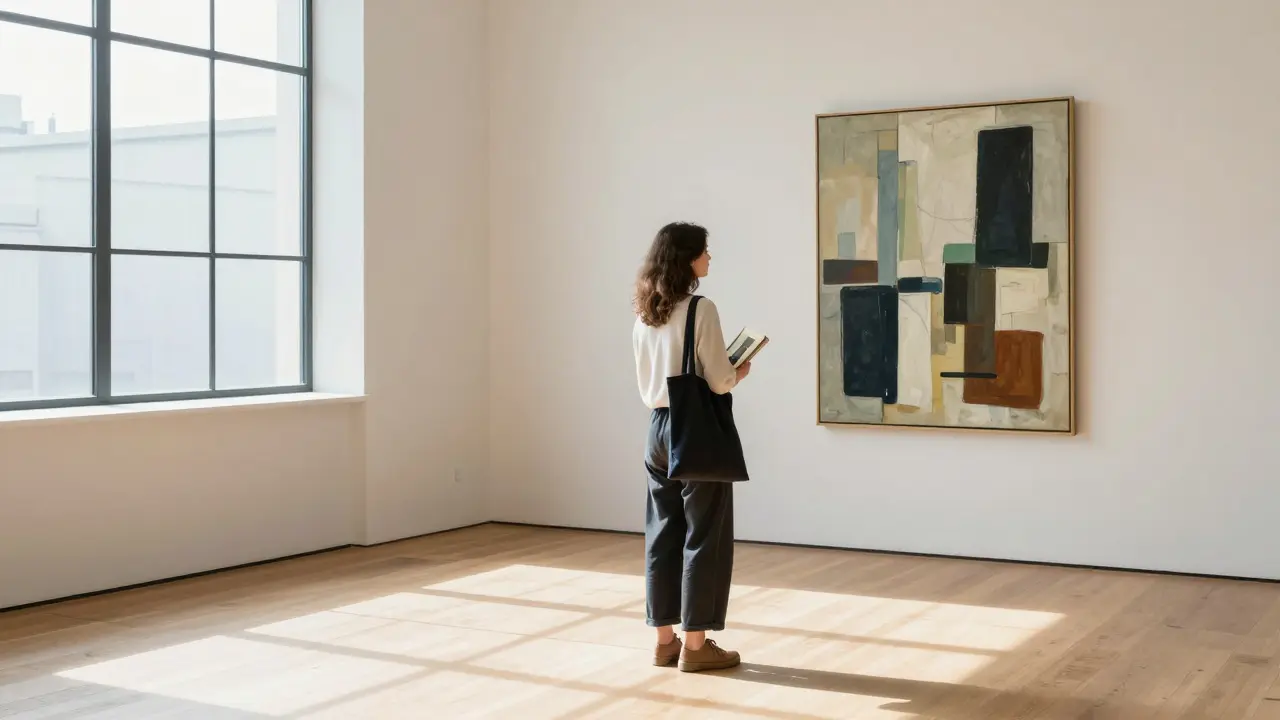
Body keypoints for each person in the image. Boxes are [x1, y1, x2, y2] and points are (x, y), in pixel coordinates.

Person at [631, 221, 750, 673]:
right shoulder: (702, 308)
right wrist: (739, 372)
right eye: (705, 251)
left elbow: (647, 377)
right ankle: (696, 645)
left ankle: (665, 641)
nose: (710, 258)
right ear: (689, 259)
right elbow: (718, 379)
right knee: (704, 534)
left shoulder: (646, 311)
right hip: (694, 428)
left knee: (662, 532)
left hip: (657, 426)